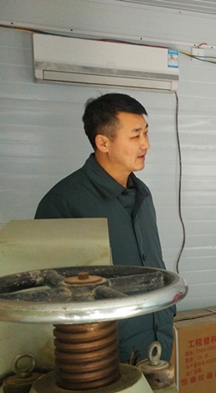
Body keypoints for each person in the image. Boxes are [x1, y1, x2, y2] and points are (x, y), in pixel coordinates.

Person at [35, 93, 175, 364]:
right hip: (102, 352)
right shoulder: (64, 203)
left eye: (146, 132)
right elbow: (53, 294)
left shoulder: (142, 193)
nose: (146, 143)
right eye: (135, 135)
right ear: (103, 142)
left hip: (157, 338)